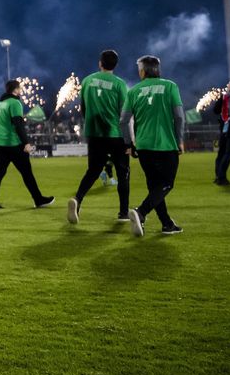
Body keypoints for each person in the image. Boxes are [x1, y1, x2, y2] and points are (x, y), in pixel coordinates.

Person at [120, 55, 184, 236]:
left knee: (155, 186)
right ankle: (141, 212)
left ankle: (167, 224)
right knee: (166, 184)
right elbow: (179, 116)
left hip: (143, 146)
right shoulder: (170, 86)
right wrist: (179, 140)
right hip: (166, 144)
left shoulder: (133, 92)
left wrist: (129, 144)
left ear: (143, 70)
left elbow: (123, 121)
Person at [67, 49, 130, 225]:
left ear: (100, 63)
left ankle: (77, 200)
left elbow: (83, 109)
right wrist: (129, 141)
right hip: (115, 134)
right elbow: (124, 114)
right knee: (123, 172)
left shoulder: (87, 81)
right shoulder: (119, 84)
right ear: (115, 65)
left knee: (93, 171)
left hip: (94, 134)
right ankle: (123, 213)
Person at [0, 79, 54, 210]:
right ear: (15, 90)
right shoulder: (15, 102)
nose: (21, 91)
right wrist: (26, 143)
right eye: (19, 88)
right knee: (27, 173)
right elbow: (18, 124)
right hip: (13, 144)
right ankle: (38, 200)